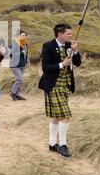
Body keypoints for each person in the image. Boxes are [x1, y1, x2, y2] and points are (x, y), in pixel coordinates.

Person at [38, 23, 81, 158]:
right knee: (65, 116)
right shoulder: (48, 46)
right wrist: (62, 64)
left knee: (57, 117)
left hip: (66, 86)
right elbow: (45, 68)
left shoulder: (69, 46)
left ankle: (52, 144)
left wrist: (75, 51)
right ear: (60, 34)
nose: (70, 35)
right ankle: (62, 145)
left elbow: (78, 63)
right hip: (53, 85)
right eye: (68, 33)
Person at [9, 30, 28, 101]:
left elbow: (26, 54)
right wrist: (22, 53)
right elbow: (12, 54)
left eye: (25, 36)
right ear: (18, 36)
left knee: (20, 80)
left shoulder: (24, 44)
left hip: (22, 64)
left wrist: (26, 62)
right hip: (15, 64)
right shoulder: (14, 44)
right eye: (22, 35)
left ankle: (18, 94)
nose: (24, 37)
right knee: (20, 79)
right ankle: (13, 93)